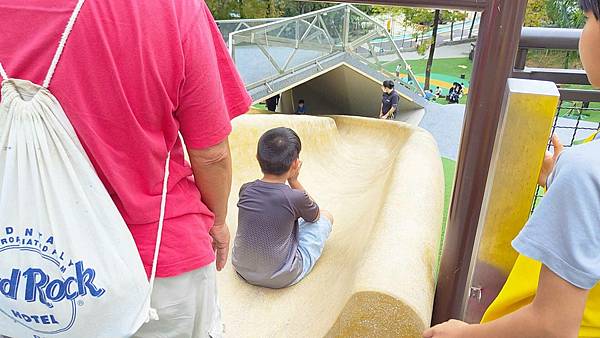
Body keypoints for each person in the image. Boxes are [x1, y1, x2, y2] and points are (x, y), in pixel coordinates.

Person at [0, 1, 252, 337]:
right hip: (158, 265)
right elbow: (211, 155)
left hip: (26, 268)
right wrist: (218, 222)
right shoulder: (173, 8)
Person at [424, 1, 600, 337]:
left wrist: (464, 334)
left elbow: (552, 325)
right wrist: (557, 183)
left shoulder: (585, 169)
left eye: (588, 19)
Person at [232, 127, 334, 289]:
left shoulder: (246, 189)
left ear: (258, 158)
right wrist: (294, 180)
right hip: (281, 276)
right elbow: (314, 215)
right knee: (326, 217)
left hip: (242, 268)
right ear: (295, 163)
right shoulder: (295, 197)